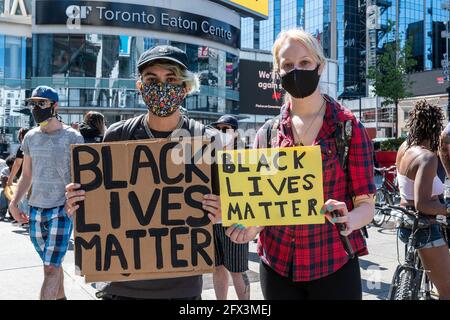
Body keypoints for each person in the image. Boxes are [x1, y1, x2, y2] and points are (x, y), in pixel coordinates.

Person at [226, 29, 376, 300]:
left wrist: (349, 219)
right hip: (277, 266)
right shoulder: (267, 134)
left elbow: (367, 205)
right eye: (287, 65)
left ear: (320, 66)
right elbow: (263, 204)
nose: (296, 70)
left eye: (305, 63)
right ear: (278, 72)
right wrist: (250, 227)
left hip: (334, 263)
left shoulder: (349, 128)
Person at [65, 45, 222, 300]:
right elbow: (102, 204)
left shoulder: (205, 139)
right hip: (120, 288)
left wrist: (220, 211)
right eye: (152, 79)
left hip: (181, 290)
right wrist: (78, 201)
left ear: (185, 87)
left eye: (171, 79)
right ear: (140, 86)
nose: (161, 86)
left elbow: (226, 211)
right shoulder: (117, 135)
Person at [8, 86, 85, 300]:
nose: (36, 108)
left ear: (54, 105)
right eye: (33, 104)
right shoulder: (31, 137)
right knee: (52, 266)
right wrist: (14, 203)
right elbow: (27, 174)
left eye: (41, 103)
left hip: (62, 210)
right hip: (35, 209)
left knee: (50, 268)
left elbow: (83, 178)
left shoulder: (74, 138)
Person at [396, 101, 450, 300]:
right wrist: (448, 209)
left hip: (405, 224)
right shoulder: (426, 158)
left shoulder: (404, 148)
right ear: (436, 128)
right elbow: (423, 204)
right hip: (425, 227)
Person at [210, 114, 250, 300]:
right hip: (212, 220)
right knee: (217, 267)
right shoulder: (208, 155)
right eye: (218, 129)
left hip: (236, 221)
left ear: (236, 133)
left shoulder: (245, 156)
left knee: (237, 271)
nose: (220, 133)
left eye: (225, 129)